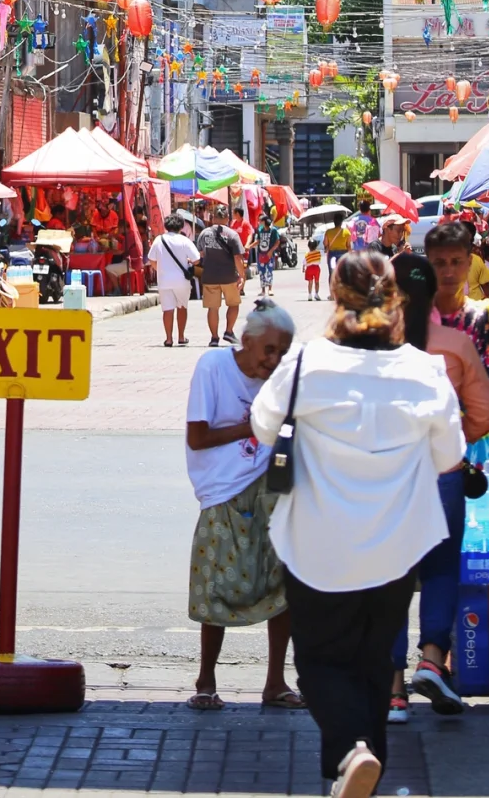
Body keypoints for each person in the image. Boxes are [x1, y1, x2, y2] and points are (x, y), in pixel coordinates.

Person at [251, 251, 463, 798]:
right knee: (373, 663)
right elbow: (449, 456)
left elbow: (264, 423)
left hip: (317, 544)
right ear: (396, 300)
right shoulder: (424, 369)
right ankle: (355, 771)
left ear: (337, 299)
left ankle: (351, 753)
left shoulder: (305, 363)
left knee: (320, 661)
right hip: (395, 546)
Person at [388, 253, 489, 723]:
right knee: (440, 567)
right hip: (444, 470)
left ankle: (393, 691)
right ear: (435, 295)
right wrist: (459, 439)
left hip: (389, 473)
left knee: (389, 574)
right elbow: (487, 414)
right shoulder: (454, 343)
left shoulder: (370, 347)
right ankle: (433, 658)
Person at [185, 300, 303, 712]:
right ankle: (206, 680)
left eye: (282, 352)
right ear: (248, 341)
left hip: (271, 485)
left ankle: (275, 681)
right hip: (221, 491)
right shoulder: (213, 367)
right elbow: (198, 438)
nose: (274, 360)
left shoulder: (282, 379)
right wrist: (252, 426)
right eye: (268, 350)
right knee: (214, 585)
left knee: (282, 584)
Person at [425, 222, 489, 374]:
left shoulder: (481, 316)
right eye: (440, 263)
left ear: (469, 264)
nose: (448, 272)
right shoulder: (414, 321)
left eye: (456, 262)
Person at [196, 212, 246, 348]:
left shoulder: (204, 234)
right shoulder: (232, 234)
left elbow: (199, 253)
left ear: (213, 218)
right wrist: (242, 276)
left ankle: (214, 337)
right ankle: (229, 331)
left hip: (209, 276)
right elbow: (237, 258)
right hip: (229, 276)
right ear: (227, 218)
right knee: (234, 304)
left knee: (213, 308)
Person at [150, 213, 199, 348]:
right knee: (182, 307)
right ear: (181, 226)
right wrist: (188, 262)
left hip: (164, 280)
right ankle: (181, 337)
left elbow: (152, 260)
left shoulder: (159, 240)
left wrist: (160, 270)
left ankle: (168, 339)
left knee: (167, 309)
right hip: (182, 281)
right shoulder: (184, 241)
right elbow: (196, 259)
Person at [323, 210, 351, 298]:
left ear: (334, 221)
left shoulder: (328, 232)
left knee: (332, 274)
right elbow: (349, 245)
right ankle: (344, 294)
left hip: (332, 254)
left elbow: (325, 243)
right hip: (343, 254)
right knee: (343, 273)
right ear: (342, 222)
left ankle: (332, 294)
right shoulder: (347, 232)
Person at [254, 214, 281, 300]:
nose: (259, 222)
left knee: (269, 271)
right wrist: (249, 246)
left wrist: (271, 251)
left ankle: (270, 289)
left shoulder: (273, 231)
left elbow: (277, 242)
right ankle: (263, 290)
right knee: (261, 272)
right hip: (261, 254)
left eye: (260, 221)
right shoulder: (260, 230)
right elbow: (258, 241)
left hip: (270, 255)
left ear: (264, 222)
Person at [303, 237, 323, 302]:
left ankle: (309, 295)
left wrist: (303, 268)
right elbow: (324, 252)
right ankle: (316, 294)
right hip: (316, 268)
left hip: (309, 269)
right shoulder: (318, 252)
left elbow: (304, 262)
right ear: (316, 246)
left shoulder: (307, 254)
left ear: (308, 246)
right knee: (317, 282)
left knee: (310, 282)